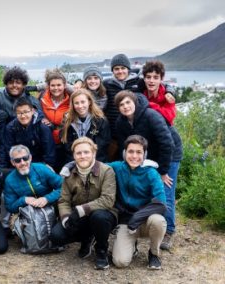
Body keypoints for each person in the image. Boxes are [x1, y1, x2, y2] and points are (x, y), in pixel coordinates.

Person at [50, 137, 117, 270]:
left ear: (94, 153)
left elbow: (108, 200)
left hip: (103, 213)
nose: (82, 156)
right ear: (74, 155)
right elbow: (64, 200)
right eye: (78, 153)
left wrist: (81, 210)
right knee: (57, 236)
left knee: (99, 217)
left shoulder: (106, 171)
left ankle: (101, 251)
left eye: (86, 152)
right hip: (79, 216)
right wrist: (65, 217)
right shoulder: (68, 173)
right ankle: (86, 238)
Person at [142, 60, 183, 250]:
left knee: (166, 190)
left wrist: (149, 106)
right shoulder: (140, 92)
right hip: (152, 149)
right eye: (148, 77)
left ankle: (170, 231)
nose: (151, 81)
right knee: (151, 189)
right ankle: (151, 225)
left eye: (155, 78)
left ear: (161, 79)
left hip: (170, 149)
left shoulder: (167, 97)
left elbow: (169, 118)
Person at [110, 135, 167, 270]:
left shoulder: (151, 173)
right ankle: (132, 246)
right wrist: (71, 165)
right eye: (130, 151)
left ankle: (154, 253)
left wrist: (137, 217)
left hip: (146, 221)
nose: (134, 156)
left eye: (139, 152)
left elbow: (161, 203)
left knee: (159, 221)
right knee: (120, 262)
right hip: (126, 222)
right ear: (124, 153)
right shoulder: (117, 167)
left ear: (144, 154)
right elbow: (95, 165)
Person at [103, 53, 175, 161]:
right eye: (116, 69)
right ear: (112, 71)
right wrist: (79, 81)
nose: (120, 71)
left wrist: (170, 91)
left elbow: (159, 84)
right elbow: (92, 89)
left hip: (133, 131)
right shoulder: (106, 84)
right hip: (113, 133)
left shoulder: (138, 82)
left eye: (123, 68)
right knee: (117, 166)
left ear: (128, 69)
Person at [114, 90, 174, 181]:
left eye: (128, 102)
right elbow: (123, 147)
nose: (125, 106)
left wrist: (162, 171)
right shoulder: (120, 122)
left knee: (164, 189)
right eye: (121, 105)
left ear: (134, 102)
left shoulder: (151, 115)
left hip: (168, 155)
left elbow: (167, 143)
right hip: (145, 157)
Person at [4, 145, 62, 214]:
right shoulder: (9, 180)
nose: (22, 163)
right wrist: (24, 200)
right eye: (17, 160)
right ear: (13, 162)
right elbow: (9, 207)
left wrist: (47, 198)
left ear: (30, 158)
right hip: (27, 214)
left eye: (25, 158)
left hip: (51, 207)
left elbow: (64, 187)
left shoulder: (42, 168)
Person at [0, 97, 56, 169]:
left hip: (40, 165)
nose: (23, 116)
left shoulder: (43, 127)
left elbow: (49, 154)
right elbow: (9, 151)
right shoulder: (11, 128)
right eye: (19, 113)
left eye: (26, 112)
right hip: (19, 165)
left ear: (32, 111)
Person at [60, 89, 111, 163]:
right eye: (76, 103)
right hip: (73, 159)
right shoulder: (67, 120)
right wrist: (78, 157)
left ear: (89, 102)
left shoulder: (100, 120)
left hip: (97, 159)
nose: (80, 106)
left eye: (83, 102)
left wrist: (87, 157)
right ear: (72, 105)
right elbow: (66, 143)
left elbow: (103, 144)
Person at [39, 69, 70, 171]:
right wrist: (42, 118)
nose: (56, 88)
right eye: (53, 85)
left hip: (65, 142)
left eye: (59, 85)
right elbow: (35, 112)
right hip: (47, 143)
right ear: (48, 86)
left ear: (65, 85)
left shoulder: (71, 100)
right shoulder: (42, 99)